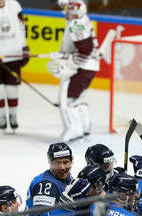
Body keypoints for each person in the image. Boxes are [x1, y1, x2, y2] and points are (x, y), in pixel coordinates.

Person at [47, 0, 99, 142]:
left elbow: (85, 50)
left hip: (83, 67)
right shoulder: (81, 19)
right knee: (79, 99)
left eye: (67, 8)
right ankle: (85, 127)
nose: (65, 11)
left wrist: (68, 63)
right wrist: (63, 55)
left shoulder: (76, 24)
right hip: (89, 66)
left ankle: (75, 131)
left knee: (69, 100)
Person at [0, 0, 29, 131]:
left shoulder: (14, 5)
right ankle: (1, 117)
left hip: (13, 54)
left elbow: (22, 27)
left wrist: (24, 47)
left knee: (12, 89)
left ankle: (13, 115)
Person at [26, 142, 73, 216]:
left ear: (71, 161)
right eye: (57, 163)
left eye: (65, 162)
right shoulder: (46, 184)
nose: (62, 167)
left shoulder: (67, 178)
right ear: (50, 162)